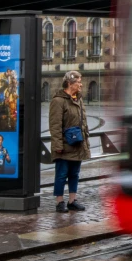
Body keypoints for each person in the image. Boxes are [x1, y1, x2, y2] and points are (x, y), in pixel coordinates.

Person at [49, 70, 91, 212]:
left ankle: (72, 200)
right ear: (69, 83)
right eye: (78, 82)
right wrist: (57, 145)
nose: (81, 85)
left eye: (80, 82)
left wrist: (85, 141)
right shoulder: (58, 101)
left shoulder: (78, 99)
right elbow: (55, 126)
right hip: (65, 145)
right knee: (61, 174)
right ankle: (59, 202)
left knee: (74, 173)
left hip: (78, 143)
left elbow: (83, 123)